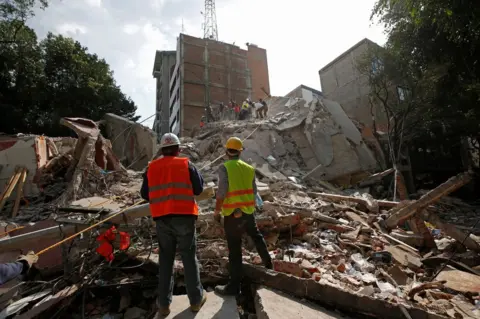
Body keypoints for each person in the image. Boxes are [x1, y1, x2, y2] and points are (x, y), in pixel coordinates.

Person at [140, 133, 206, 317]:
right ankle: (195, 300)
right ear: (178, 149)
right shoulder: (186, 164)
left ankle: (163, 305)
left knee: (166, 261)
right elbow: (199, 189)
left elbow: (145, 194)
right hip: (184, 217)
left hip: (162, 219)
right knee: (189, 258)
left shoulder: (151, 168)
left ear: (162, 150)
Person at [214, 137, 273, 296]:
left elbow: (222, 192)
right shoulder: (249, 168)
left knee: (234, 250)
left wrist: (216, 211)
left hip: (232, 215)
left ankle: (233, 287)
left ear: (227, 151)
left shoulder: (224, 167)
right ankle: (269, 267)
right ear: (240, 152)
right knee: (257, 237)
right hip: (247, 212)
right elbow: (254, 192)